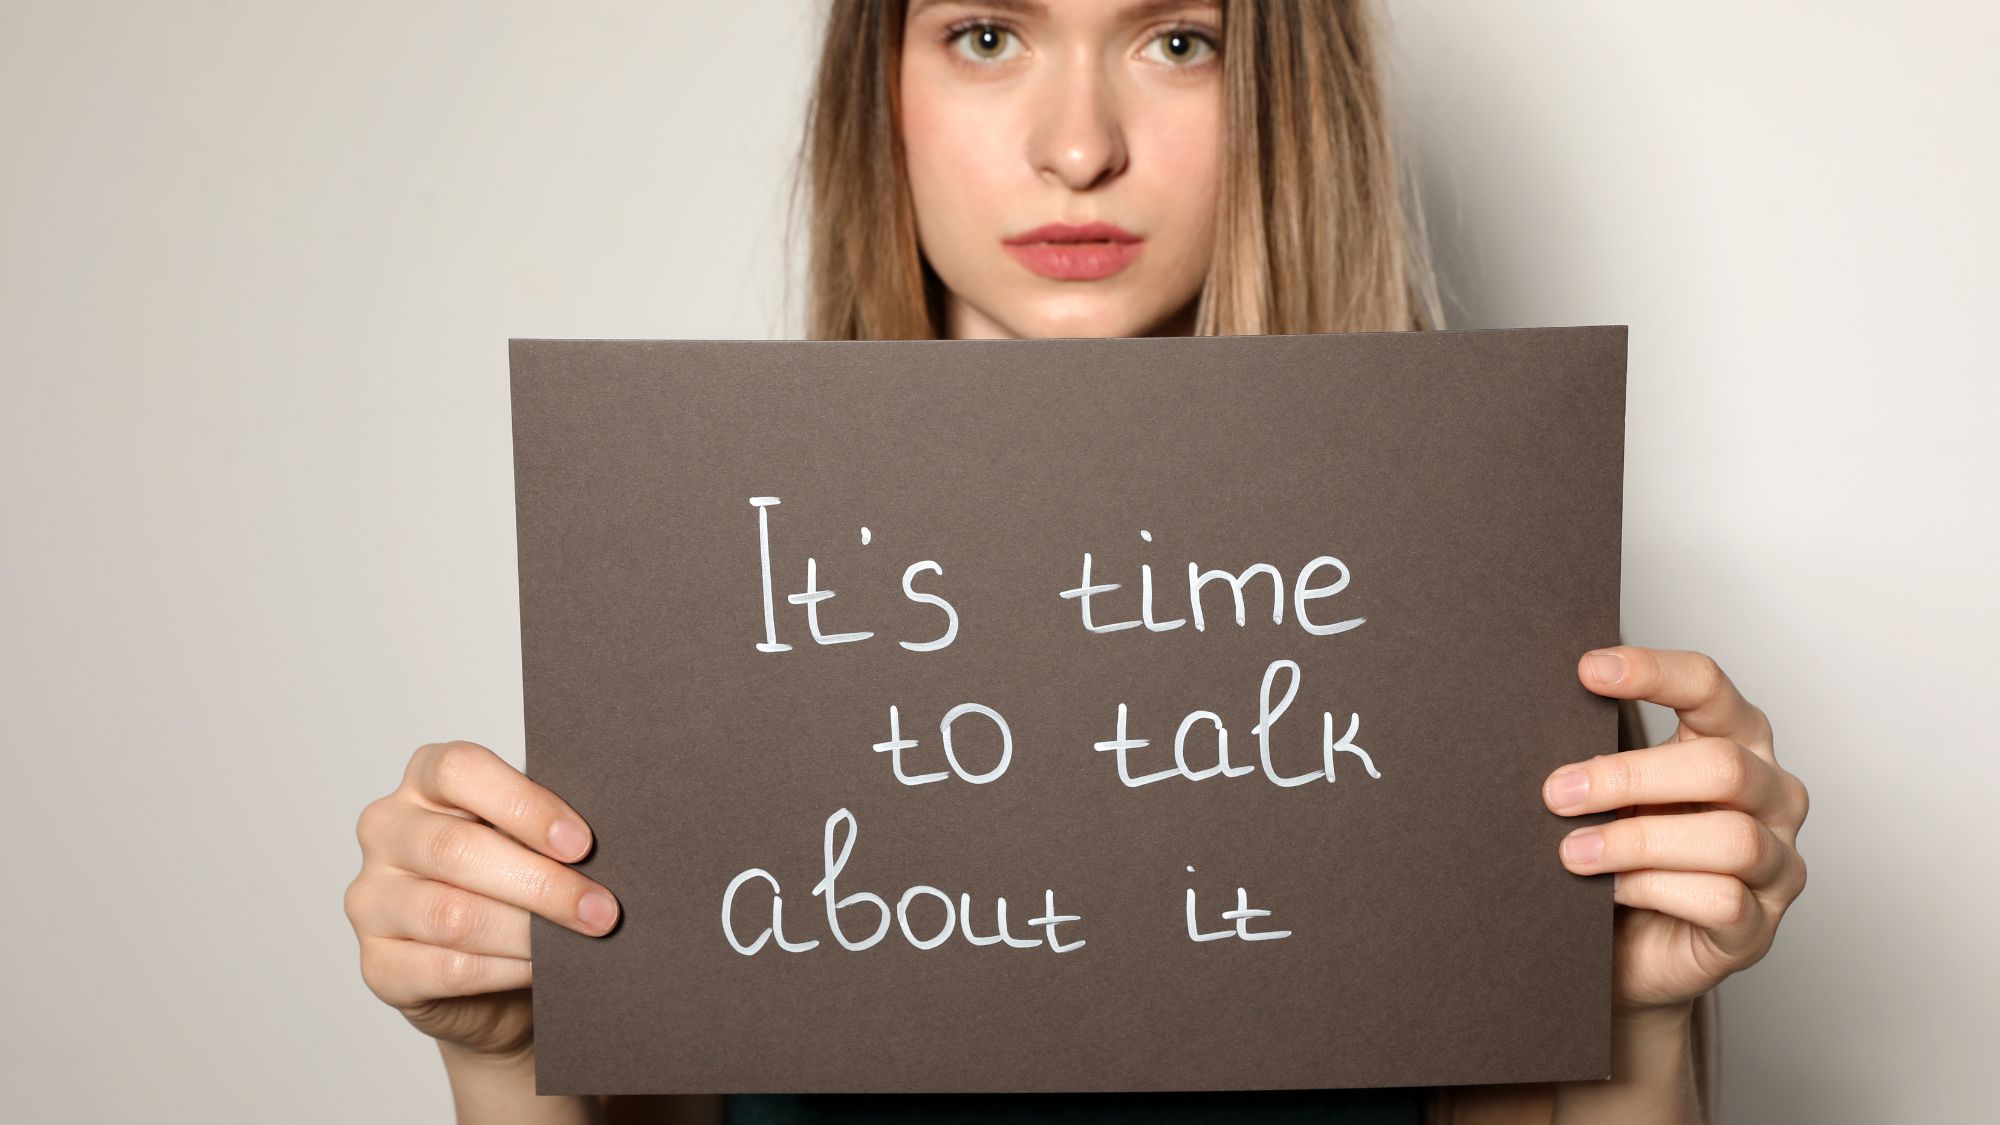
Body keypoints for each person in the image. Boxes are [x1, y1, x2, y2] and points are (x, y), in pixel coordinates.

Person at [343, 2, 1811, 1122]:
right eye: (987, 34)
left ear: (1287, 92)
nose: (1077, 144)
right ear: (886, 95)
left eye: (1176, 39)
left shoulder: (1477, 648)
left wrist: (1631, 1021)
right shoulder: (701, 610)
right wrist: (516, 1056)